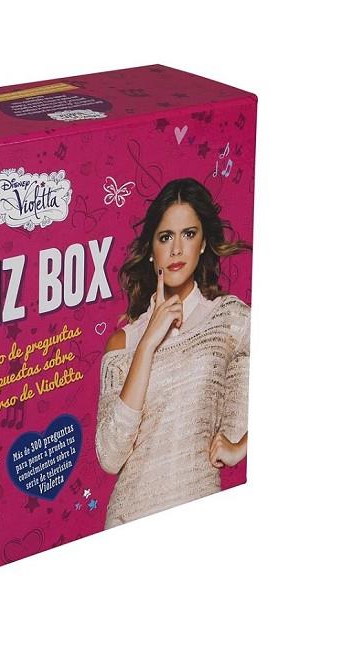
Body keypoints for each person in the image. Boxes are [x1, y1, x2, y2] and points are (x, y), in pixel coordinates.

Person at [95, 178, 251, 528]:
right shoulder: (125, 341)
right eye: (166, 237)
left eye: (188, 234)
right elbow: (109, 455)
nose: (177, 249)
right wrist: (147, 343)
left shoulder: (229, 319)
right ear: (152, 249)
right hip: (127, 520)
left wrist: (242, 445)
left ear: (203, 242)